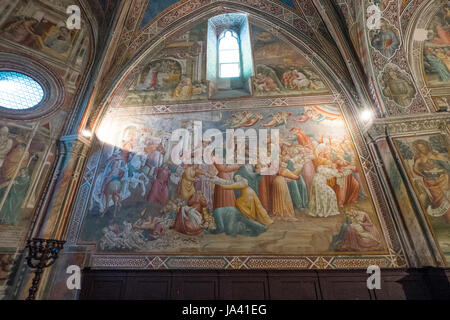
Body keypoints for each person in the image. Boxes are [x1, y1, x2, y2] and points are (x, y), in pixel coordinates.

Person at [412, 140, 450, 221]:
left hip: (443, 179)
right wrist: (424, 173)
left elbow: (446, 165)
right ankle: (448, 218)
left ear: (426, 146)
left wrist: (441, 167)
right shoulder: (419, 158)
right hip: (431, 182)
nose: (422, 149)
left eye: (423, 146)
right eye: (419, 148)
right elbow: (415, 169)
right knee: (439, 200)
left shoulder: (435, 154)